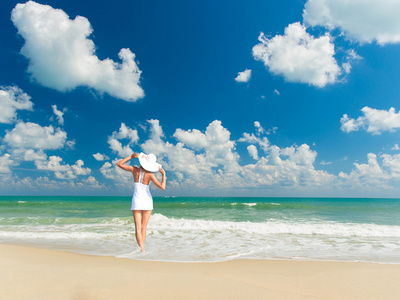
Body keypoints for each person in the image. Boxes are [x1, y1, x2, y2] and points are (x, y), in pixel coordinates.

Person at [117, 152, 166, 253]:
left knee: (138, 228)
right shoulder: (150, 175)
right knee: (144, 227)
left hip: (137, 200)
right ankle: (142, 249)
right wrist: (163, 174)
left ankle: (141, 249)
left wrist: (131, 157)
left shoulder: (134, 170)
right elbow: (162, 187)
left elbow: (119, 164)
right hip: (147, 200)